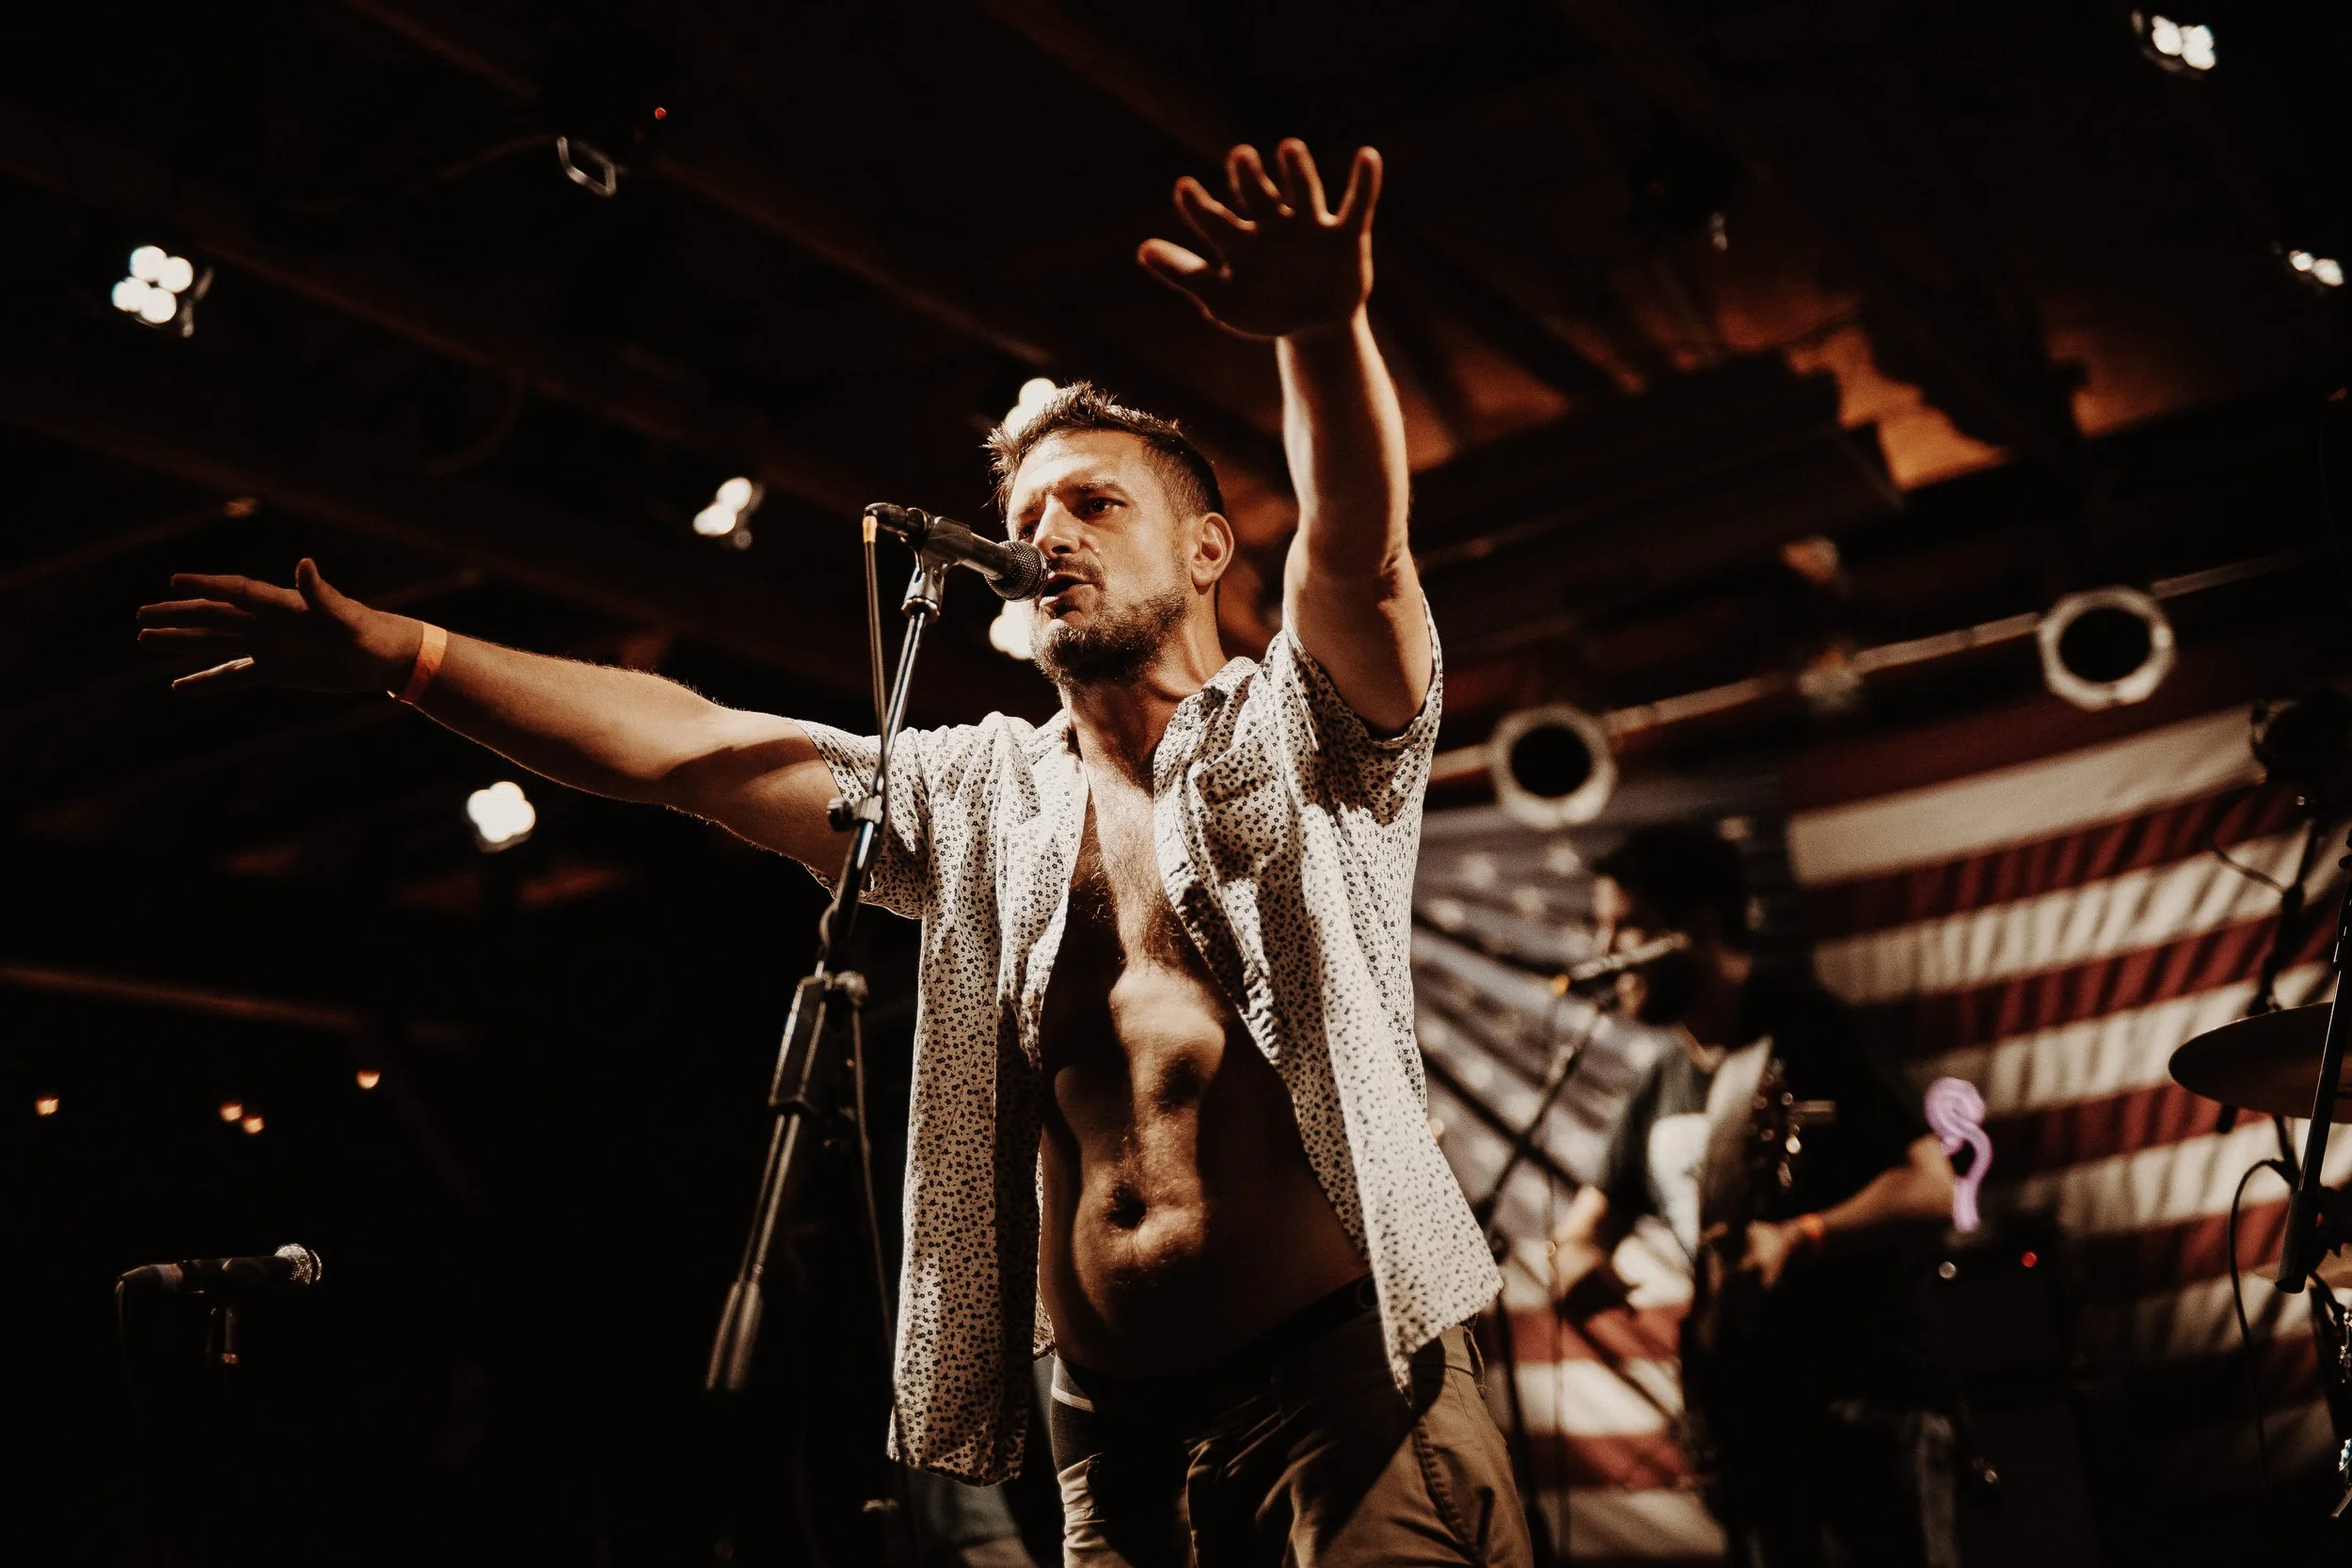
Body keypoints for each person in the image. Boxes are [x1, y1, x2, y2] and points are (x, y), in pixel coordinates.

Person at [138, 139, 1529, 1568]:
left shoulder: (1308, 730)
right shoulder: (982, 791)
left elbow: (1357, 553)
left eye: (1094, 504)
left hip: (1352, 1391)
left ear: (1207, 549)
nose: (1044, 534)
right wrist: (405, 658)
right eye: (1024, 516)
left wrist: (1319, 328)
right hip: (1112, 1432)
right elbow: (687, 747)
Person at [1548, 825, 1961, 1568]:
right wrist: (1576, 1265)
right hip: (1743, 1410)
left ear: (1697, 925)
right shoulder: (1657, 1081)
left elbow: (1932, 1186)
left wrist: (1801, 1236)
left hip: (1866, 1394)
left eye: (1627, 925)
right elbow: (1583, 1230)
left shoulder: (1813, 1027)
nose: (1606, 951)